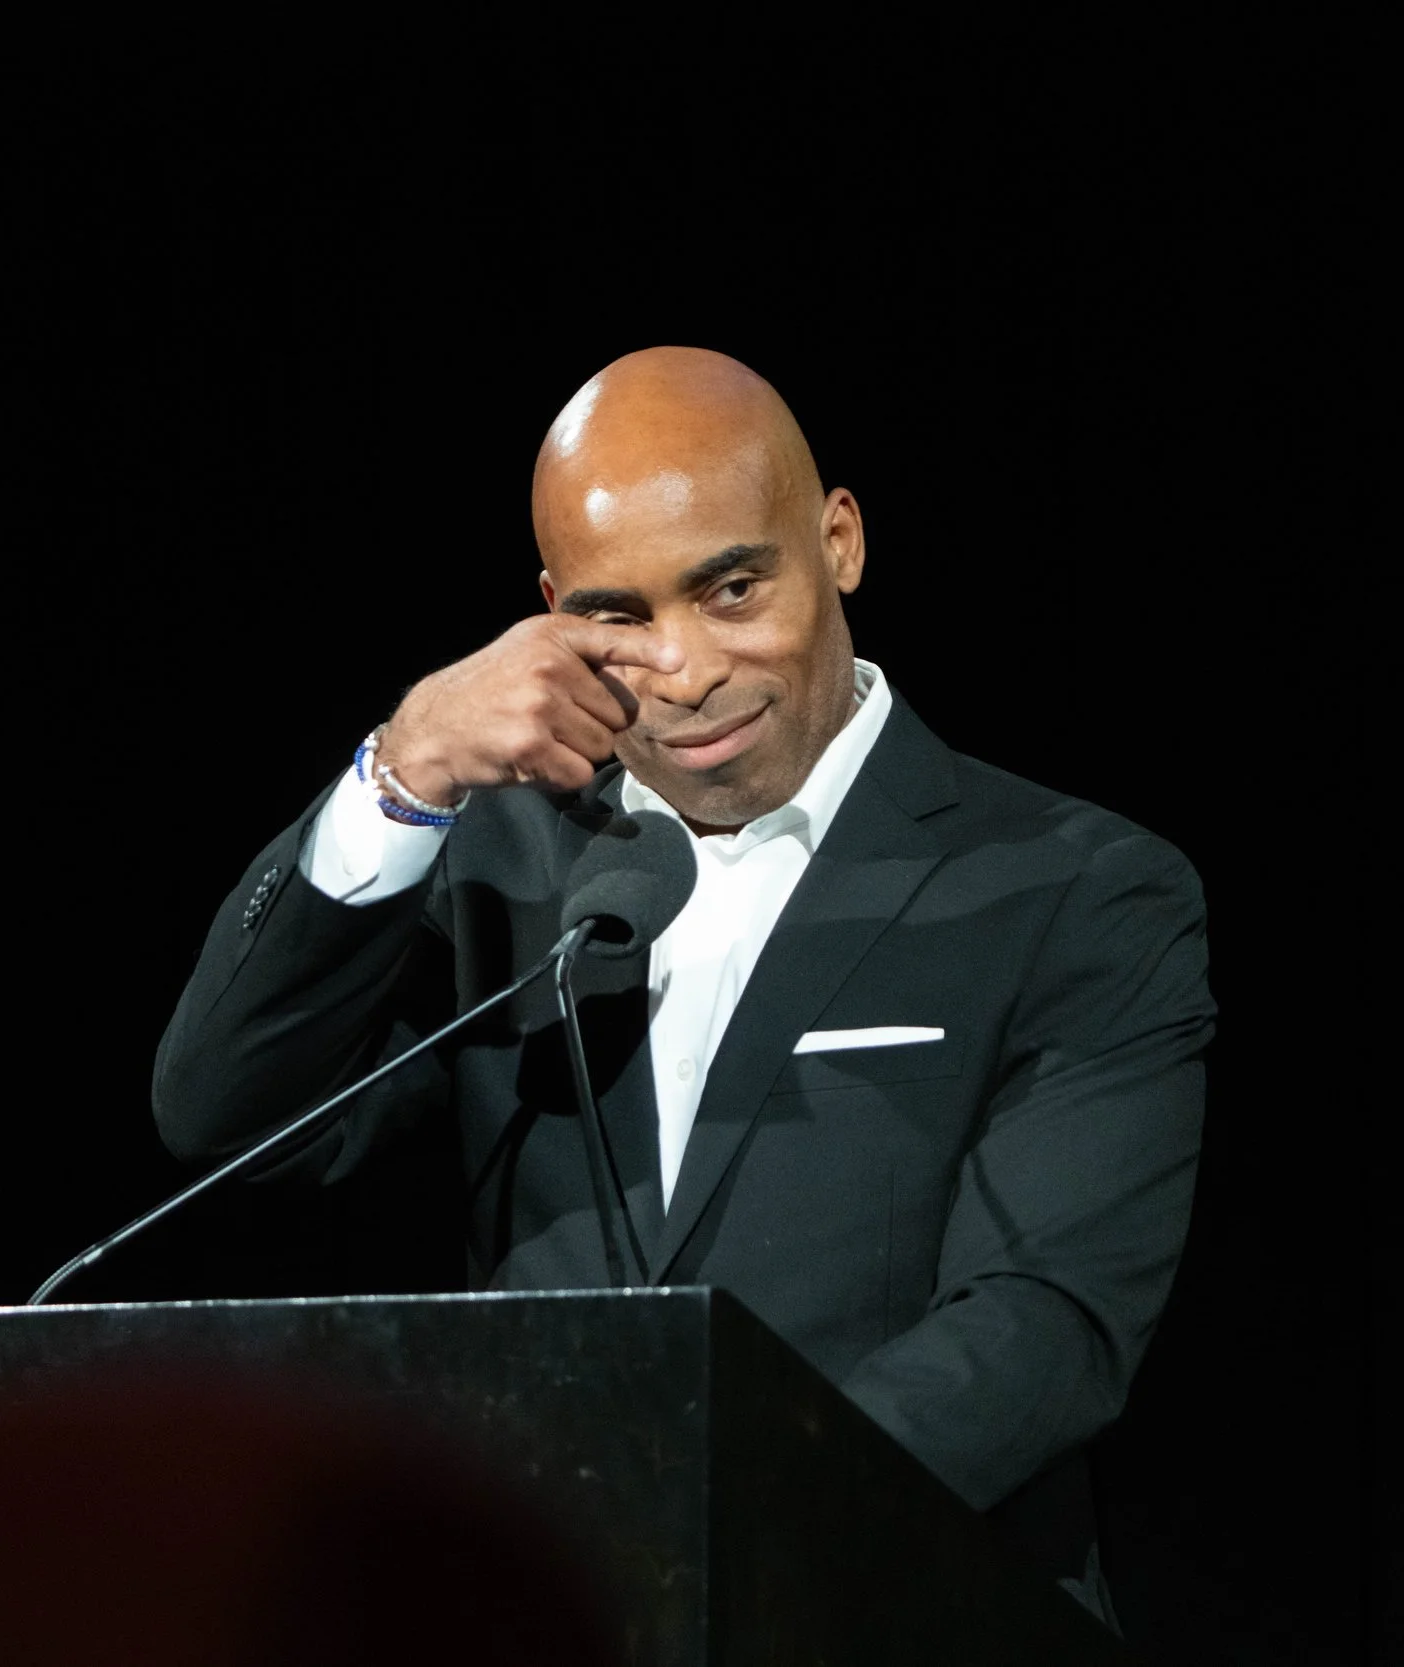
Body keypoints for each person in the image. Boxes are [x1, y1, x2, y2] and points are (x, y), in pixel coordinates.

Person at [154, 346, 1215, 1631]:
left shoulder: (1070, 887)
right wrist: (405, 766)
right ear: (551, 611)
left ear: (839, 540)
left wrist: (693, 1536)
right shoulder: (494, 864)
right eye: (618, 616)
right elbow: (220, 1113)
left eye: (730, 587)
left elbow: (1042, 1333)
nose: (685, 667)